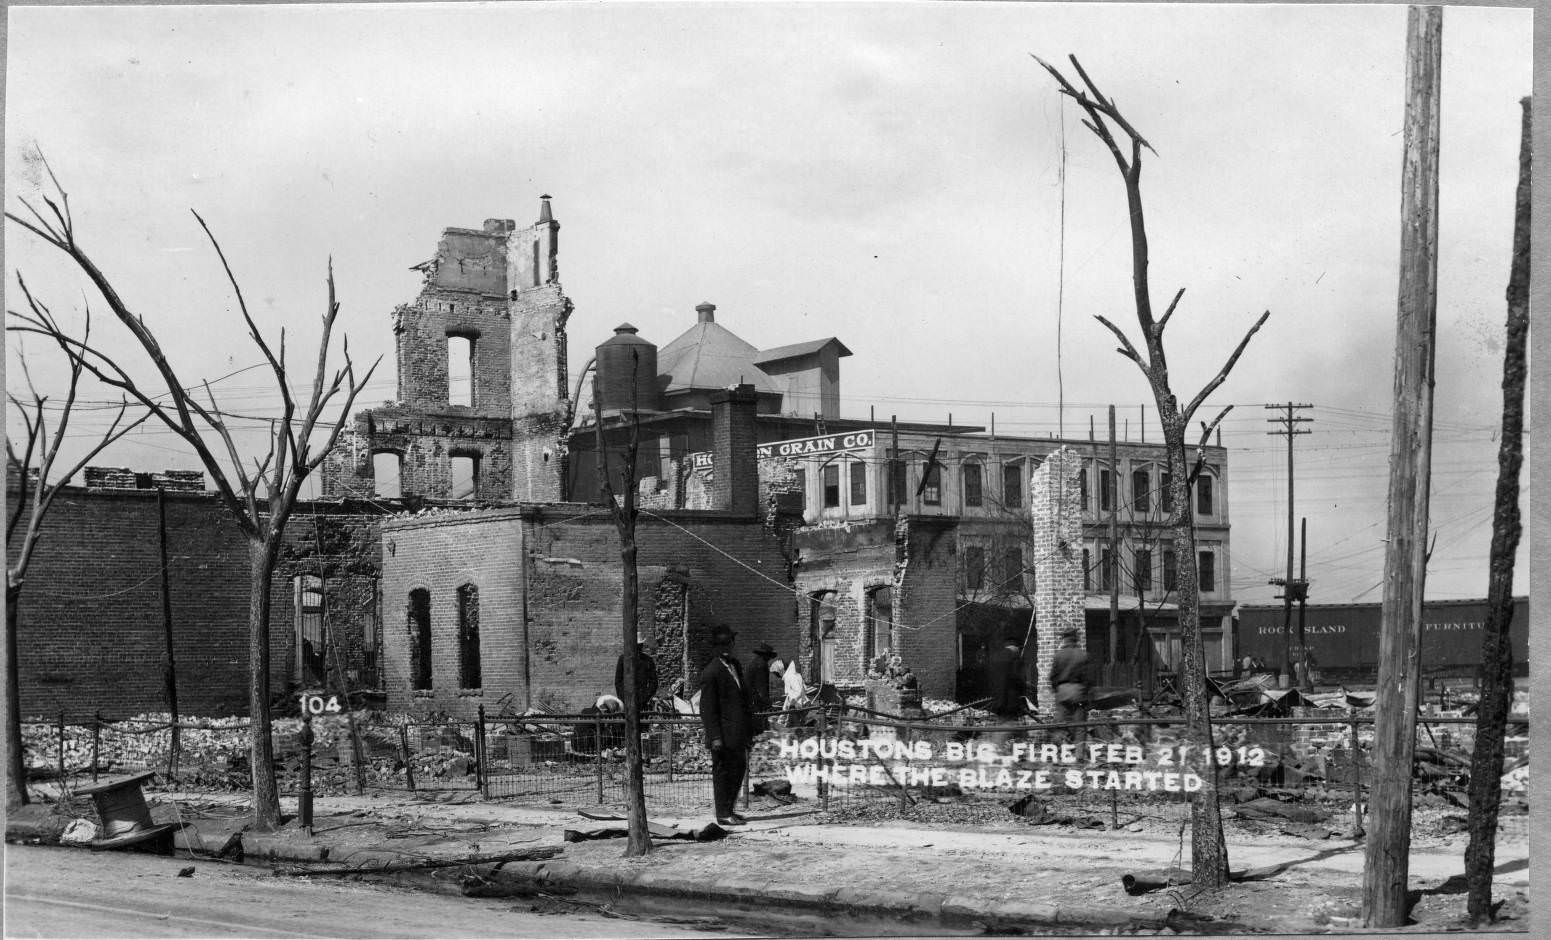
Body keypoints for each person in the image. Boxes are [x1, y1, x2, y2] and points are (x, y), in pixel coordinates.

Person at [698, 624, 755, 825]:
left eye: (729, 643)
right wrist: (715, 737)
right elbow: (707, 709)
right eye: (723, 645)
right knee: (723, 773)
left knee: (738, 769)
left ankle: (730, 809)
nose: (728, 648)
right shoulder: (711, 672)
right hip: (723, 735)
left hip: (737, 732)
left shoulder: (735, 666)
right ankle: (723, 813)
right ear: (716, 647)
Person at [1049, 628, 1090, 742]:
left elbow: (1053, 676)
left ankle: (1057, 748)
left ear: (1065, 639)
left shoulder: (1058, 655)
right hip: (1078, 691)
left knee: (1059, 724)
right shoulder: (1082, 655)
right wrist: (1085, 691)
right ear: (1075, 639)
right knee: (1080, 726)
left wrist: (1056, 690)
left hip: (1062, 690)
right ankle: (1079, 751)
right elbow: (1087, 677)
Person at [614, 638, 659, 728]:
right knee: (627, 727)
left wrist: (645, 698)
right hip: (627, 701)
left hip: (642, 702)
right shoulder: (623, 659)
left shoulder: (647, 660)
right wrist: (624, 697)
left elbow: (653, 682)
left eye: (639, 646)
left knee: (642, 727)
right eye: (636, 646)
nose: (638, 648)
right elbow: (618, 681)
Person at [986, 634, 1026, 719]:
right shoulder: (1015, 657)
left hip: (996, 700)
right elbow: (1017, 678)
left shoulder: (994, 657)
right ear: (1015, 647)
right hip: (1010, 701)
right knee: (1011, 723)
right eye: (1019, 649)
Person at [747, 642, 779, 732]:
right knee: (760, 726)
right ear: (766, 655)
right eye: (769, 656)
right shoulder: (761, 665)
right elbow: (761, 687)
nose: (769, 659)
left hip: (751, 699)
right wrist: (768, 705)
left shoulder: (755, 662)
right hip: (755, 701)